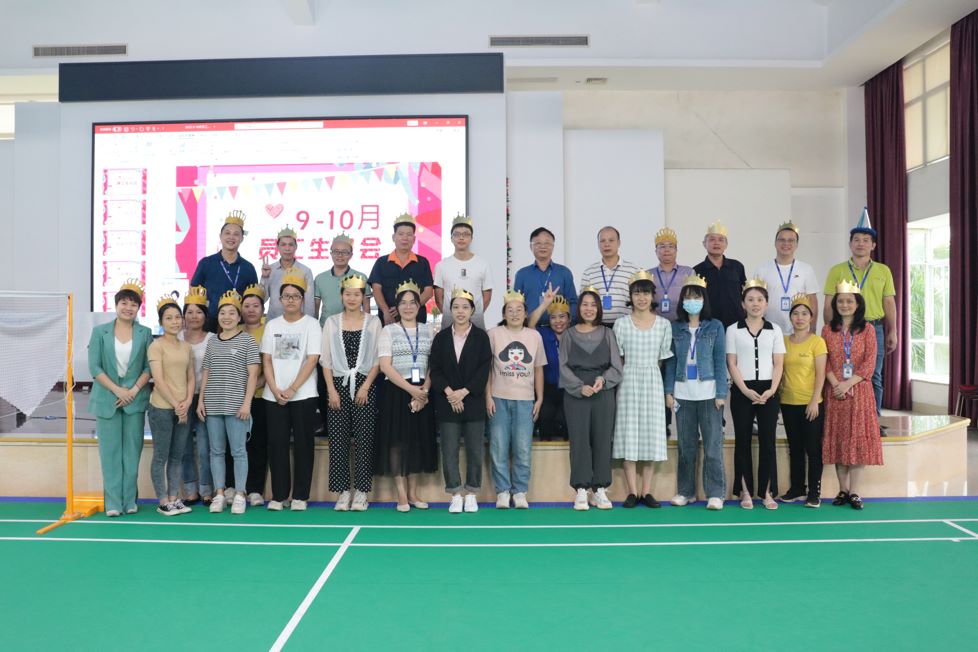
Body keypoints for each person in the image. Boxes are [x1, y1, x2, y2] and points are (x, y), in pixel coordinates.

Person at [822, 210, 897, 421]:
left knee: (873, 375)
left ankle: (873, 421)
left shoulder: (883, 271)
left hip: (873, 328)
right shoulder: (837, 270)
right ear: (850, 244)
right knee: (839, 374)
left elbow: (889, 302)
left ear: (873, 245)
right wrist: (830, 331)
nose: (860, 244)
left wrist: (893, 330)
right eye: (856, 240)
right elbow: (828, 303)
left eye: (865, 240)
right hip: (842, 329)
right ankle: (841, 419)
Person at [87, 279, 152, 517]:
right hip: (107, 399)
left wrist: (132, 391)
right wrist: (118, 390)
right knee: (110, 453)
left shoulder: (145, 333)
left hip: (135, 400)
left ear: (138, 308)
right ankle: (113, 502)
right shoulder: (100, 332)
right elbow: (94, 367)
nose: (128, 308)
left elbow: (149, 367)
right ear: (116, 305)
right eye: (124, 303)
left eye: (133, 304)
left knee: (132, 453)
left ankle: (129, 500)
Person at [663, 275, 728, 511]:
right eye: (688, 297)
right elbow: (671, 362)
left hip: (709, 395)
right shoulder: (675, 327)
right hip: (683, 394)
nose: (692, 301)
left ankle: (715, 493)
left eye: (697, 296)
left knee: (712, 447)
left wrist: (721, 392)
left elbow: (719, 360)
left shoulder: (715, 326)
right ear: (682, 300)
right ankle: (686, 491)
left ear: (704, 299)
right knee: (686, 447)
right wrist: (669, 391)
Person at [260, 269, 322, 512]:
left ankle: (300, 496)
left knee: (304, 446)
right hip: (273, 396)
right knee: (277, 445)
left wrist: (293, 388)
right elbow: (266, 359)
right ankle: (279, 495)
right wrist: (276, 389)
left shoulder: (312, 325)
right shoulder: (272, 325)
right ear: (279, 300)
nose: (291, 300)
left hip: (303, 394)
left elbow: (312, 359)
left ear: (303, 299)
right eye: (286, 296)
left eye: (295, 296)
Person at [428, 288, 493, 513]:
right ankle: (455, 493)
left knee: (475, 449)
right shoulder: (441, 337)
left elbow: (484, 369)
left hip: (473, 402)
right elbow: (435, 369)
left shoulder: (481, 337)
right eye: (456, 307)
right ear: (450, 310)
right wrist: (450, 393)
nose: (460, 311)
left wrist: (463, 392)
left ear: (473, 310)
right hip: (447, 402)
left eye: (465, 307)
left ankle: (472, 492)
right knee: (449, 449)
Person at [613, 271, 673, 508]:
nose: (641, 298)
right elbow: (618, 358)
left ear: (652, 296)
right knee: (628, 432)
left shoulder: (663, 325)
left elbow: (662, 360)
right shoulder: (621, 324)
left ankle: (646, 491)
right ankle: (631, 491)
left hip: (652, 380)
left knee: (651, 433)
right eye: (637, 293)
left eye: (646, 293)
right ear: (631, 296)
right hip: (628, 380)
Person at [321, 274, 382, 511]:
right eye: (348, 294)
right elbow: (326, 359)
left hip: (365, 385)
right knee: (338, 440)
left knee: (365, 438)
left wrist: (366, 386)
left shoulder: (373, 322)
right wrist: (331, 390)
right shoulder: (332, 322)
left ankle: (362, 492)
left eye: (357, 294)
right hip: (337, 384)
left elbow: (377, 359)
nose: (352, 298)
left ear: (363, 296)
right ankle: (343, 491)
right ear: (341, 296)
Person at [559, 288, 623, 510]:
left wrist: (603, 380)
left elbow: (617, 367)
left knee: (603, 439)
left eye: (593, 305)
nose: (589, 309)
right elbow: (563, 366)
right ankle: (581, 489)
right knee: (579, 440)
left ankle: (600, 489)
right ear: (579, 308)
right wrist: (579, 387)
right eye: (585, 304)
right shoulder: (568, 335)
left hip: (602, 392)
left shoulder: (607, 334)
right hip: (576, 393)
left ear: (599, 309)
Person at [197, 291, 260, 514]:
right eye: (223, 313)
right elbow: (206, 372)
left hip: (237, 407)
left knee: (239, 451)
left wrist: (247, 403)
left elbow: (253, 375)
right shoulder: (212, 341)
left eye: (232, 313)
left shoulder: (247, 340)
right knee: (216, 451)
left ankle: (241, 494)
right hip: (213, 405)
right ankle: (220, 494)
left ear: (239, 316)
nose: (227, 317)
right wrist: (201, 401)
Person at [821, 280, 883, 510]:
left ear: (858, 304)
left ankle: (855, 492)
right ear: (835, 304)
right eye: (841, 301)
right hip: (835, 391)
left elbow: (870, 362)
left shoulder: (868, 329)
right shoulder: (827, 330)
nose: (845, 305)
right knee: (839, 440)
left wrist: (848, 384)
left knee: (857, 441)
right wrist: (836, 384)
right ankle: (842, 490)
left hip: (859, 392)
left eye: (849, 301)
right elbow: (824, 361)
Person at [376, 281, 437, 511]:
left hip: (423, 392)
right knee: (397, 443)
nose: (408, 307)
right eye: (403, 303)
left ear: (419, 306)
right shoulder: (388, 330)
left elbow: (433, 364)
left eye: (413, 303)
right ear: (397, 306)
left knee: (417, 441)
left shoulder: (428, 330)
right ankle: (401, 495)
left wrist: (424, 391)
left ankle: (413, 493)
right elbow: (385, 366)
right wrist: (412, 390)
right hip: (397, 391)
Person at [726, 279, 786, 510]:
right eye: (750, 299)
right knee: (742, 440)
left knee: (767, 441)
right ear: (743, 304)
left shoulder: (775, 330)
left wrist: (772, 390)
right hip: (743, 389)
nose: (755, 303)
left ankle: (767, 491)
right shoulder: (733, 329)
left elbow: (778, 363)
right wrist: (744, 390)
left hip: (769, 389)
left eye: (760, 299)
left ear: (766, 304)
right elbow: (732, 363)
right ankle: (745, 491)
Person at [486, 290, 546, 509]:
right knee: (498, 447)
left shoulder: (534, 336)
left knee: (522, 448)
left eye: (519, 310)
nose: (514, 314)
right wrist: (488, 397)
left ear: (526, 313)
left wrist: (539, 398)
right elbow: (487, 370)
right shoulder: (493, 334)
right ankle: (502, 491)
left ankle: (520, 491)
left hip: (525, 400)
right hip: (498, 398)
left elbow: (538, 369)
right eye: (510, 310)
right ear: (504, 314)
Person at [313, 232, 372, 434]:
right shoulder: (320, 278)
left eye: (344, 252)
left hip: (355, 334)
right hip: (327, 334)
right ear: (330, 253)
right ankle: (327, 423)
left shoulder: (360, 277)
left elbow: (366, 308)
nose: (340, 255)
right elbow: (315, 310)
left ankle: (354, 424)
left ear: (351, 254)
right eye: (336, 252)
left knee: (355, 378)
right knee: (326, 379)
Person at [147, 295, 195, 516]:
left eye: (177, 317)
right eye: (169, 318)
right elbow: (158, 380)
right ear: (161, 322)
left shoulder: (186, 347)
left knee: (177, 456)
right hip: (162, 408)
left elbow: (191, 378)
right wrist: (177, 404)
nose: (174, 321)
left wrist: (187, 402)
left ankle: (175, 498)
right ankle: (163, 500)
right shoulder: (156, 346)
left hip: (183, 408)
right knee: (161, 456)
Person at [779, 293, 827, 508]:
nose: (800, 318)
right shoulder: (783, 342)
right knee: (795, 447)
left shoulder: (817, 342)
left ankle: (814, 492)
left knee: (813, 448)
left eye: (804, 314)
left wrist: (815, 401)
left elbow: (821, 374)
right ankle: (797, 488)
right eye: (796, 314)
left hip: (811, 404)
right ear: (790, 317)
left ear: (811, 317)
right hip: (788, 402)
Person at [189, 210, 259, 331]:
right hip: (210, 323)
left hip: (239, 324)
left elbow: (253, 297)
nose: (231, 237)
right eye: (227, 233)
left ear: (242, 238)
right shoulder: (206, 263)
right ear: (220, 236)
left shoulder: (248, 268)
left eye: (236, 234)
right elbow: (193, 291)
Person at [178, 286, 214, 505]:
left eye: (198, 312)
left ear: (205, 316)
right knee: (183, 446)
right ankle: (190, 490)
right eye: (189, 312)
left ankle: (207, 489)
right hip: (182, 400)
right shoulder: (176, 338)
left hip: (205, 399)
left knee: (204, 447)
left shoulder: (213, 339)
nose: (194, 316)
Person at [752, 221, 819, 336]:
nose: (786, 243)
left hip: (798, 332)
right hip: (768, 331)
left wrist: (812, 329)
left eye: (791, 240)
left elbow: (812, 300)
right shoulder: (762, 269)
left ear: (797, 244)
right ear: (775, 243)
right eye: (781, 240)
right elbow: (754, 299)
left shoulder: (806, 269)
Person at [368, 213, 434, 325]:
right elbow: (376, 290)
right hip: (388, 320)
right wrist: (385, 311)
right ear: (393, 237)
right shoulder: (381, 262)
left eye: (409, 234)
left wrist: (408, 308)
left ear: (414, 239)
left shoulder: (422, 262)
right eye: (401, 234)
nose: (405, 238)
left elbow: (428, 292)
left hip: (416, 321)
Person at [434, 214, 494, 330]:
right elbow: (438, 298)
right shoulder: (441, 266)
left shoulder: (483, 264)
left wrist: (472, 313)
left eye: (466, 234)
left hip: (476, 322)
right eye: (457, 234)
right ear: (451, 238)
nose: (461, 238)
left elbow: (487, 297)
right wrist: (453, 314)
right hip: (449, 323)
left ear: (471, 238)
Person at [527, 286, 570, 440]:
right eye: (553, 317)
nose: (558, 321)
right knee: (544, 419)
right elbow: (530, 324)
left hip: (570, 390)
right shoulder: (544, 334)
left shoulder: (575, 334)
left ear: (569, 318)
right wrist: (545, 304)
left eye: (562, 316)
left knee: (566, 422)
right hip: (548, 389)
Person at [513, 227, 577, 326]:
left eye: (547, 243)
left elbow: (573, 302)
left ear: (553, 246)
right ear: (531, 247)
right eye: (538, 243)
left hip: (558, 329)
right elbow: (515, 304)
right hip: (530, 329)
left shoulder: (564, 272)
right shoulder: (522, 274)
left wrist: (568, 325)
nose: (543, 246)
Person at [241, 284, 269, 506]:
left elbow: (272, 365)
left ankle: (255, 489)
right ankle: (235, 488)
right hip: (236, 398)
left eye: (255, 306)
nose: (251, 310)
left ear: (263, 308)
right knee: (236, 446)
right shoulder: (233, 329)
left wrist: (253, 388)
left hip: (261, 396)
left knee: (259, 444)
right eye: (247, 306)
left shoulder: (269, 329)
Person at [579, 226, 641, 326]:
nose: (607, 244)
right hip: (597, 327)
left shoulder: (634, 270)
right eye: (602, 241)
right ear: (598, 244)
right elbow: (583, 303)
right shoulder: (589, 272)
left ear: (619, 243)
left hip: (626, 326)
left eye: (611, 240)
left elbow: (640, 300)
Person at [693, 220, 746, 328]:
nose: (716, 243)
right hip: (708, 326)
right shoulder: (696, 271)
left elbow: (745, 294)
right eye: (712, 239)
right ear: (704, 244)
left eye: (721, 240)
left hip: (737, 324)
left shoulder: (737, 267)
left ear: (726, 244)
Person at [260, 225, 315, 320]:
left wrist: (308, 323)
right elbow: (262, 299)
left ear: (296, 247)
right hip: (273, 321)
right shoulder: (270, 270)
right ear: (277, 247)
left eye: (291, 245)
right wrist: (264, 278)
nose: (287, 248)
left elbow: (309, 303)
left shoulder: (305, 271)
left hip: (298, 322)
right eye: (283, 244)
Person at [649, 227, 694, 323]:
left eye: (671, 246)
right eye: (662, 246)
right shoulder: (648, 275)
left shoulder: (688, 272)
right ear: (656, 251)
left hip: (683, 324)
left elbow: (694, 299)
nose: (667, 250)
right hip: (656, 325)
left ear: (676, 250)